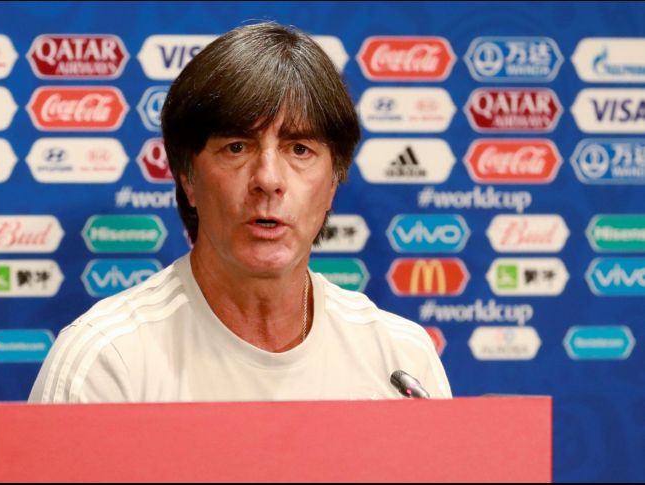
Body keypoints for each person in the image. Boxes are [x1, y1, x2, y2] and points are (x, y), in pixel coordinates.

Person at [29, 22, 451, 404]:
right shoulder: (107, 361)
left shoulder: (402, 361)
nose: (268, 179)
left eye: (299, 149)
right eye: (237, 147)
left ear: (334, 181)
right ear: (187, 177)